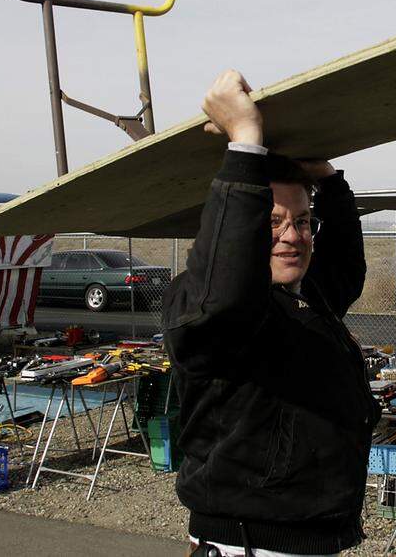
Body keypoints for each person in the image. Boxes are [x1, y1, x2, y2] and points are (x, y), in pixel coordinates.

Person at [163, 70, 381, 556]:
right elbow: (224, 291)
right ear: (239, 231)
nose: (292, 236)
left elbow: (345, 266)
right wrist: (244, 142)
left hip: (311, 539)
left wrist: (326, 178)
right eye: (273, 222)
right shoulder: (207, 307)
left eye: (303, 221)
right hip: (250, 546)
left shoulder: (304, 296)